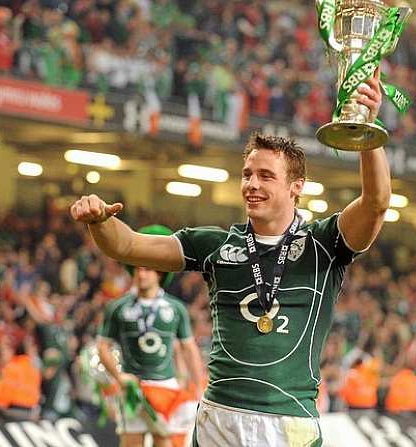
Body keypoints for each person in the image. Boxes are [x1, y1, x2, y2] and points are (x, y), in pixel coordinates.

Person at [71, 71, 390, 446]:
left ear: (296, 186)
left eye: (266, 176)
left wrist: (367, 131)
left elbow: (376, 202)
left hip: (286, 421)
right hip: (219, 418)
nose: (252, 185)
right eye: (247, 174)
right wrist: (99, 222)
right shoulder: (216, 245)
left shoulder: (323, 243)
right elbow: (127, 246)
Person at [98, 225, 204, 447]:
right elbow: (102, 346)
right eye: (136, 268)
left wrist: (200, 387)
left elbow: (189, 349)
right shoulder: (117, 307)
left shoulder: (176, 309)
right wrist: (118, 377)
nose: (141, 273)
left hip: (165, 387)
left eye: (147, 269)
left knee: (164, 443)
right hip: (132, 388)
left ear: (160, 272)